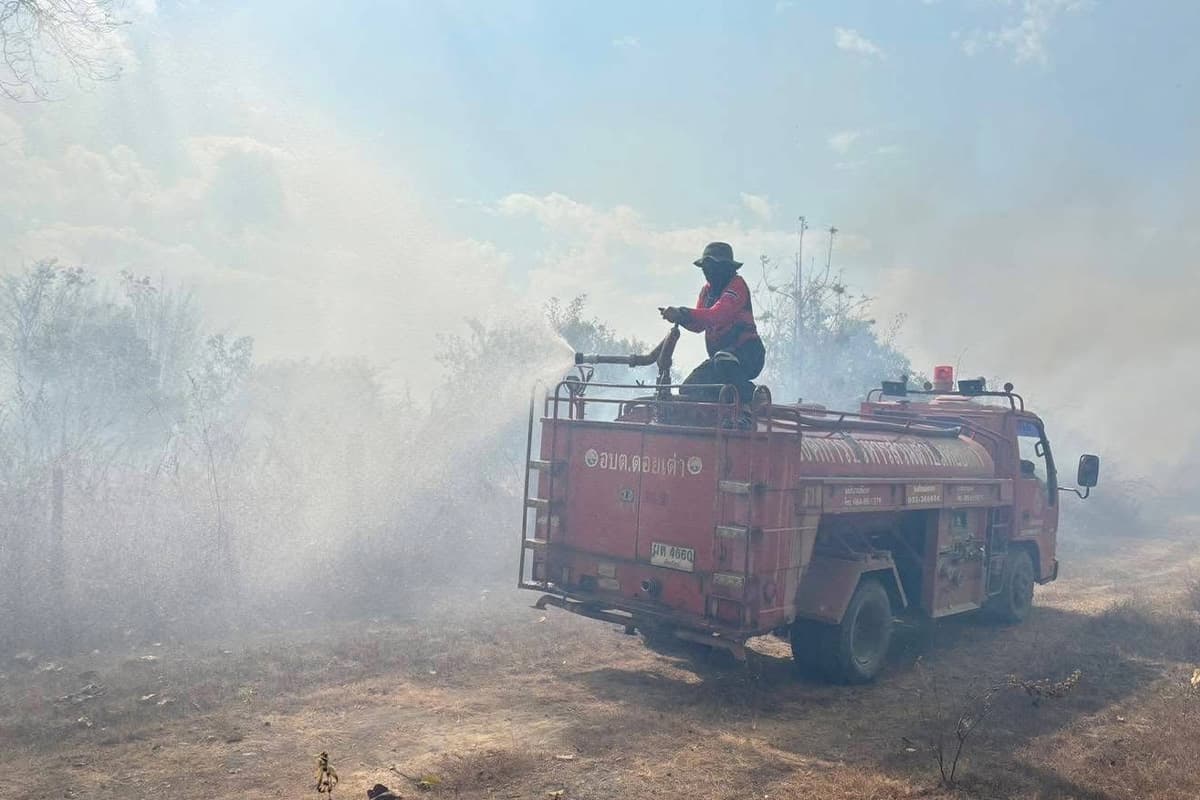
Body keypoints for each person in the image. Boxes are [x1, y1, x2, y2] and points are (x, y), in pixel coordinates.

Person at [660, 241, 766, 413]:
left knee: (723, 359)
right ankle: (723, 409)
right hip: (720, 361)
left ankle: (752, 397)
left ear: (726, 268)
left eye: (713, 268)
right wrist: (680, 318)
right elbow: (699, 324)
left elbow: (718, 314)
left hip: (747, 355)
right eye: (706, 268)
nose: (709, 273)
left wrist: (683, 312)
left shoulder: (737, 286)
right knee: (690, 388)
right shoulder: (707, 292)